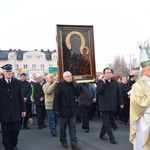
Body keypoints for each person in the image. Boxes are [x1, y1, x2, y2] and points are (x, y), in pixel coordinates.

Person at [0, 64, 26, 150]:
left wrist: (23, 109)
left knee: (16, 129)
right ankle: (8, 147)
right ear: (3, 72)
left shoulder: (17, 82)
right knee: (6, 132)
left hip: (16, 111)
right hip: (4, 113)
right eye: (7, 71)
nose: (9, 73)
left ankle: (14, 144)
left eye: (10, 71)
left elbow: (20, 97)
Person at [53, 71, 81, 150]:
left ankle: (74, 144)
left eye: (71, 76)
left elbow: (78, 94)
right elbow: (56, 98)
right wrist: (56, 109)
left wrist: (76, 86)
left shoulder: (73, 85)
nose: (70, 77)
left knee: (73, 128)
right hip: (63, 110)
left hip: (72, 110)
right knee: (63, 128)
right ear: (64, 77)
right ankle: (63, 141)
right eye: (68, 76)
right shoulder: (60, 85)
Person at [96, 67, 124, 144]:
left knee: (106, 122)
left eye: (110, 72)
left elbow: (119, 93)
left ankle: (102, 134)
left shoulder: (115, 82)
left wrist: (121, 103)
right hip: (104, 106)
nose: (109, 74)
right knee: (108, 122)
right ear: (104, 74)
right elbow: (98, 91)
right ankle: (112, 138)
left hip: (112, 105)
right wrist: (103, 83)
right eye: (107, 73)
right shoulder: (100, 82)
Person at [130, 48, 150, 150]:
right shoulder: (138, 85)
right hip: (144, 119)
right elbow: (138, 104)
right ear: (143, 71)